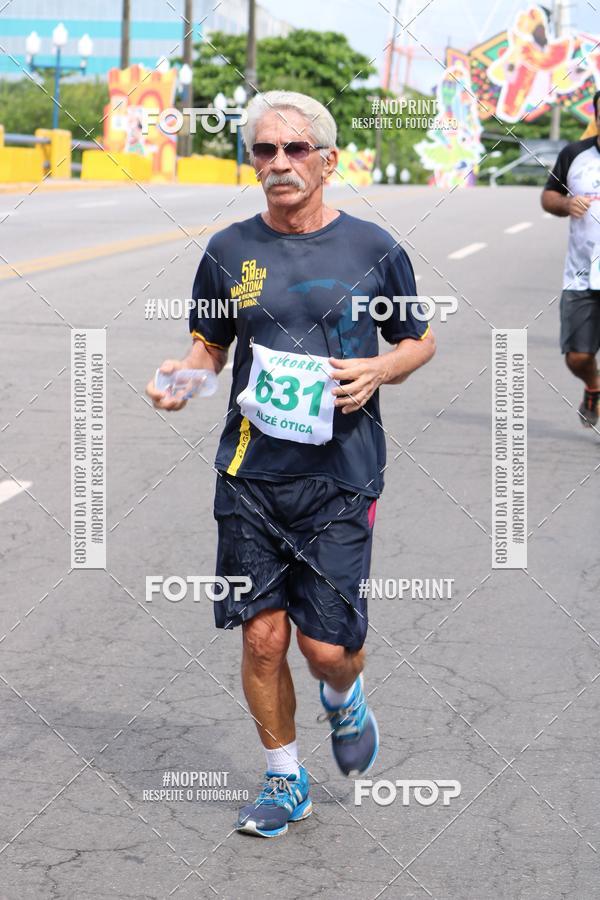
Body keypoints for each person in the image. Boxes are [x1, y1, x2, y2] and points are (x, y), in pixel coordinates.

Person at [146, 90, 435, 838]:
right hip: (249, 472)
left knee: (325, 648)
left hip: (341, 473)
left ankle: (346, 695)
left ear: (328, 160)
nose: (278, 163)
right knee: (263, 637)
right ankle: (285, 781)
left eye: (294, 149)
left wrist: (382, 370)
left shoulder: (374, 249)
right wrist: (183, 379)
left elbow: (418, 339)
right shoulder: (228, 251)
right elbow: (209, 347)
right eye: (264, 151)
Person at [541, 89, 600, 428]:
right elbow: (549, 196)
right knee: (578, 356)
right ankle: (593, 385)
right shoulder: (574, 155)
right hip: (582, 274)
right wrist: (565, 204)